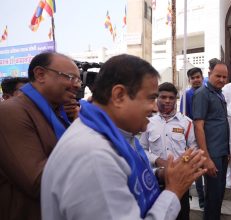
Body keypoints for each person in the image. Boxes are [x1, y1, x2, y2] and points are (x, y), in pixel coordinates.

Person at [41, 54, 207, 220]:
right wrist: (174, 191)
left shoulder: (113, 134)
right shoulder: (94, 158)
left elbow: (126, 175)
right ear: (119, 95)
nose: (155, 108)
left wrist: (160, 175)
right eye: (151, 98)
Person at [0, 52, 81, 220]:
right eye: (70, 77)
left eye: (78, 80)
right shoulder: (11, 112)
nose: (77, 85)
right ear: (40, 75)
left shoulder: (56, 113)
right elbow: (39, 181)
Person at [141, 82, 197, 220]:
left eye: (171, 98)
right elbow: (141, 150)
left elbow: (194, 149)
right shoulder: (148, 123)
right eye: (163, 97)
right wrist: (157, 160)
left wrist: (182, 162)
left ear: (175, 99)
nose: (167, 101)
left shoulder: (186, 123)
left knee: (181, 216)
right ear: (157, 98)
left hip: (179, 180)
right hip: (154, 181)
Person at [192, 59, 229, 220]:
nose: (221, 79)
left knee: (219, 194)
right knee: (213, 197)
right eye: (218, 76)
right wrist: (206, 158)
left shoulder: (219, 93)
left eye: (225, 77)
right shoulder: (202, 93)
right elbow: (198, 126)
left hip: (221, 152)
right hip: (211, 154)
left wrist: (226, 152)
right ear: (209, 74)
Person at [179, 67, 205, 208]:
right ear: (189, 80)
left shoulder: (207, 92)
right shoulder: (186, 95)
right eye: (193, 78)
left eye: (198, 77)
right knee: (197, 166)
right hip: (193, 135)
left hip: (208, 134)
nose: (196, 80)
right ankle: (201, 198)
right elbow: (184, 116)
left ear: (202, 77)